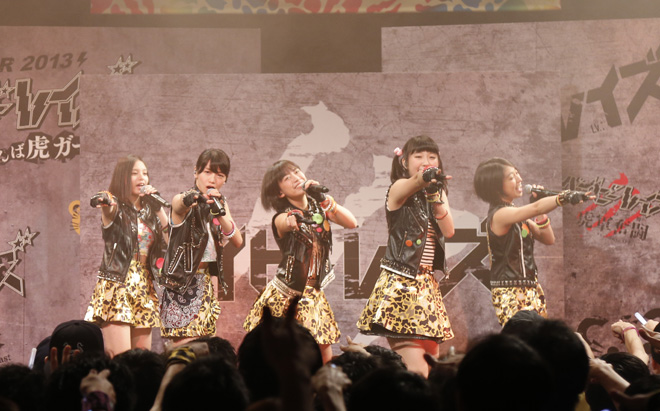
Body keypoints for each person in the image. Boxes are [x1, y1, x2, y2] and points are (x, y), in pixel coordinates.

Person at [357, 135, 455, 377]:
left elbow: (449, 230)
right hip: (401, 285)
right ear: (404, 162)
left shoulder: (436, 193)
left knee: (432, 368)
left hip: (427, 285)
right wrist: (425, 178)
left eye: (432, 156)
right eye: (418, 156)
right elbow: (415, 182)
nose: (426, 160)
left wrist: (435, 196)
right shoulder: (398, 187)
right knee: (417, 372)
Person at [243, 160, 358, 364]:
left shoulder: (320, 208)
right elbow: (283, 222)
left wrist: (323, 198)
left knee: (324, 359)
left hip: (313, 295)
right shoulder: (281, 217)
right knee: (280, 359)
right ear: (280, 193)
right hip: (285, 296)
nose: (296, 178)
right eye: (287, 178)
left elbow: (351, 222)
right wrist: (292, 218)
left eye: (297, 172)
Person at [473, 157, 592, 325]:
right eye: (511, 177)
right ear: (496, 186)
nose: (520, 179)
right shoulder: (500, 215)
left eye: (517, 174)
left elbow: (548, 238)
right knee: (525, 338)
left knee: (538, 339)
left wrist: (540, 210)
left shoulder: (515, 214)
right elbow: (535, 208)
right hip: (511, 292)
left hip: (530, 289)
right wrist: (564, 197)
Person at [85, 155, 169, 356]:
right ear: (123, 177)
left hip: (144, 285)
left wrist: (158, 209)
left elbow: (171, 240)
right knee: (120, 359)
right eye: (134, 173)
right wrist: (104, 200)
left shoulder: (150, 212)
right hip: (118, 283)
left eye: (145, 173)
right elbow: (104, 200)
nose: (142, 178)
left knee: (141, 362)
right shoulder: (115, 206)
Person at [160, 148, 243, 344]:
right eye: (207, 172)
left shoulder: (220, 203)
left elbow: (237, 240)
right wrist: (190, 199)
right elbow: (179, 204)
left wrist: (219, 212)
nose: (212, 179)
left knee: (207, 350)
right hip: (182, 285)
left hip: (206, 283)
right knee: (186, 350)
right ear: (195, 172)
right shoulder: (184, 199)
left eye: (220, 175)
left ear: (225, 180)